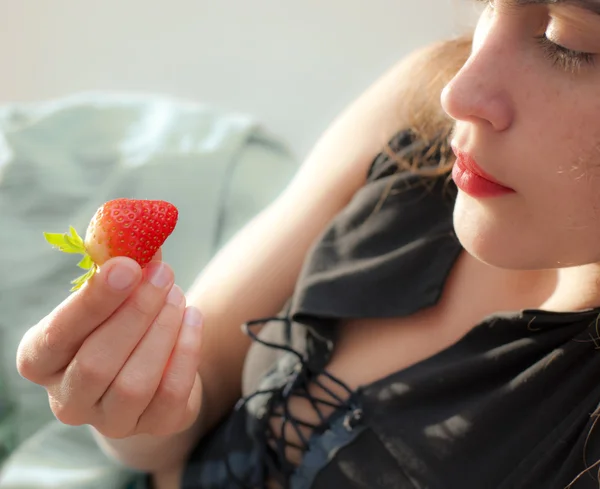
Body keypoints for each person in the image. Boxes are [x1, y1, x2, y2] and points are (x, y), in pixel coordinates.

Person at [14, 0, 600, 487]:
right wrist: (135, 410)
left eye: (564, 39)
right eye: (487, 7)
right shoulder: (417, 106)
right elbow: (190, 402)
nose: (459, 90)